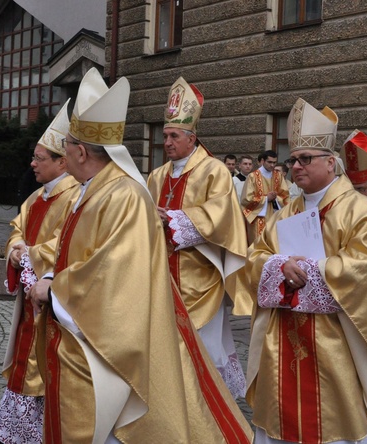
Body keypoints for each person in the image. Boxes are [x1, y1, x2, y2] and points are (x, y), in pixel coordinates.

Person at [29, 68, 252, 443]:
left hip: (184, 282)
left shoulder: (125, 192)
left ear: (81, 151)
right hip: (119, 303)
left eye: (65, 147)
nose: (166, 141)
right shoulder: (122, 183)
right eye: (163, 135)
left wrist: (55, 291)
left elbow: (111, 269)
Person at [245, 98, 367, 443]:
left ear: (331, 164)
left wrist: (312, 271)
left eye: (306, 159)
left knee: (337, 424)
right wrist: (278, 265)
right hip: (283, 337)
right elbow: (256, 255)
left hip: (336, 341)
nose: (296, 167)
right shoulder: (286, 211)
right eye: (293, 160)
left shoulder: (360, 211)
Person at [146, 76, 249, 399]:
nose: (167, 142)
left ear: (192, 138)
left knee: (201, 348)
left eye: (174, 136)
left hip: (200, 279)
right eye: (165, 136)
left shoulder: (214, 171)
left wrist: (174, 219)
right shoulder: (156, 176)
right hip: (163, 276)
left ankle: (206, 403)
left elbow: (222, 215)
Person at [0, 101, 80, 444]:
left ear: (61, 161)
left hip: (53, 301)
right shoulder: (36, 197)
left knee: (44, 367)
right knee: (24, 360)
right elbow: (18, 227)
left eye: (39, 158)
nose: (32, 163)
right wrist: (16, 249)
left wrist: (29, 255)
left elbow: (67, 243)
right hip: (31, 300)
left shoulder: (73, 198)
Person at [241, 150, 290, 242]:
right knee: (258, 243)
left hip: (275, 215)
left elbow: (285, 196)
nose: (272, 165)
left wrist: (276, 198)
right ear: (263, 161)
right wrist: (266, 198)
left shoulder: (278, 176)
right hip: (258, 216)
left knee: (274, 242)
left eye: (274, 162)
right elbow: (246, 199)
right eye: (269, 162)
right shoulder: (252, 176)